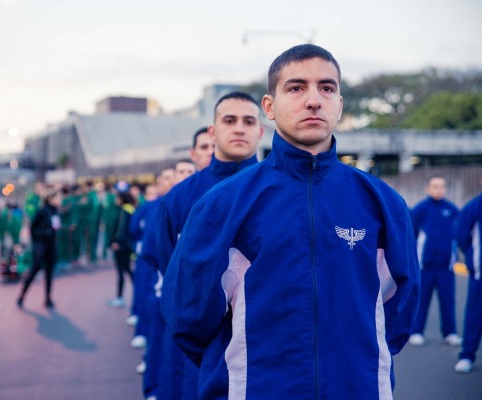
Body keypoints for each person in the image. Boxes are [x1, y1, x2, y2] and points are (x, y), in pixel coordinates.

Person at [160, 44, 420, 399]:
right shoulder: (222, 204)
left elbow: (401, 312)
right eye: (296, 88)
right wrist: (240, 370)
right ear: (270, 106)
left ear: (339, 104)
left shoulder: (382, 203)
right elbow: (188, 316)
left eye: (327, 88)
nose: (314, 100)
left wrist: (353, 362)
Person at [154, 91, 264, 400]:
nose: (239, 128)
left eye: (248, 121)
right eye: (230, 120)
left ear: (260, 130)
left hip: (267, 339)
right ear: (213, 131)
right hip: (205, 343)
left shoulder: (280, 193)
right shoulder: (180, 197)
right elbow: (171, 267)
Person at [408, 177, 461, 347]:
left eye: (441, 186)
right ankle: (416, 331)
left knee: (448, 301)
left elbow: (460, 234)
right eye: (435, 186)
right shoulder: (419, 210)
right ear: (428, 188)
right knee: (421, 300)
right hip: (425, 267)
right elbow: (410, 236)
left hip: (446, 267)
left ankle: (450, 333)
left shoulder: (451, 209)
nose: (438, 189)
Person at [454, 178, 482, 373]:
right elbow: (462, 235)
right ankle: (467, 355)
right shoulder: (475, 206)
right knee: (475, 316)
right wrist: (473, 259)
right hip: (480, 274)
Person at [17, 190, 62, 308]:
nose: (60, 200)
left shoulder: (55, 211)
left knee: (49, 272)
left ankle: (48, 298)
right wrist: (44, 233)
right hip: (40, 246)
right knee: (33, 271)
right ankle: (22, 295)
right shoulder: (41, 211)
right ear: (50, 199)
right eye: (57, 198)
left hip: (51, 246)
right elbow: (33, 228)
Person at [106, 190, 137, 308]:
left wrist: (116, 242)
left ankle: (119, 297)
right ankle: (136, 292)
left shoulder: (124, 210)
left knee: (122, 271)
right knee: (127, 270)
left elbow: (121, 228)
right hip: (127, 245)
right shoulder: (131, 208)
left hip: (122, 246)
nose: (115, 200)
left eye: (117, 198)